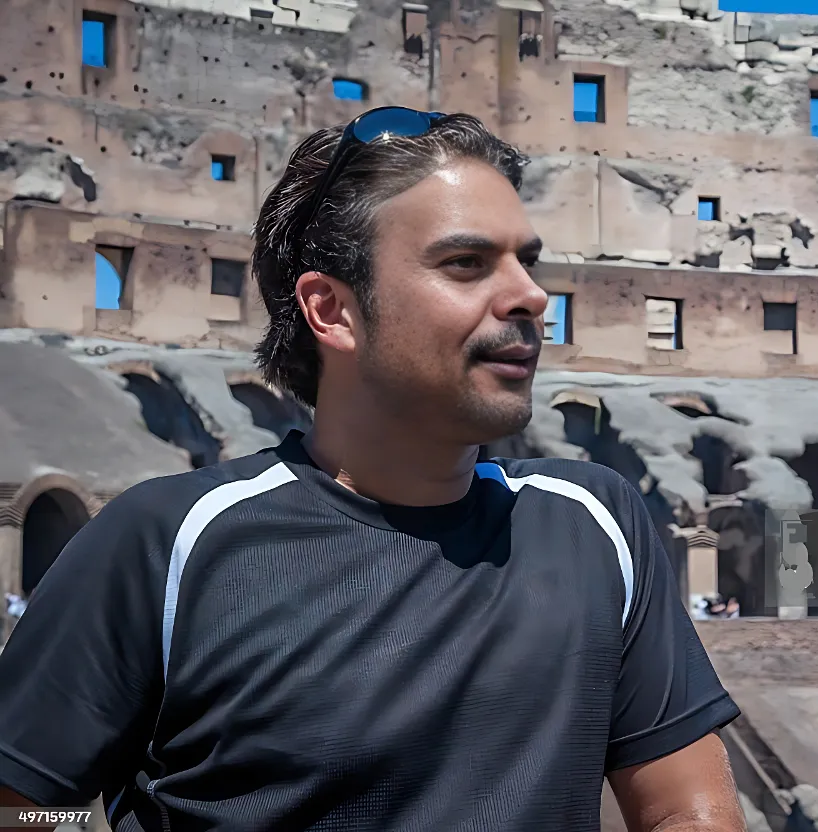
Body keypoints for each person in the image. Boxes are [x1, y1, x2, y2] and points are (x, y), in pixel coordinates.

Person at [0, 108, 746, 832]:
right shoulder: (168, 543)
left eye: (528, 259)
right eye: (466, 263)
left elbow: (688, 811)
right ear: (332, 310)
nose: (531, 295)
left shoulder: (594, 523)